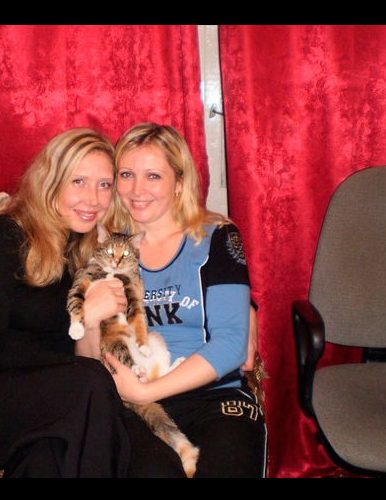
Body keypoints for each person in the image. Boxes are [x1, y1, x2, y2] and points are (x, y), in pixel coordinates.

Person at [0, 127, 186, 478]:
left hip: (60, 403)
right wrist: (78, 338)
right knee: (91, 382)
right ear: (51, 181)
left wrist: (92, 326)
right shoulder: (5, 236)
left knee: (158, 465)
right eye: (78, 181)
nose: (93, 199)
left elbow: (86, 358)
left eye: (104, 185)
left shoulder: (93, 252)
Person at [101, 123, 267, 478]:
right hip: (134, 407)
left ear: (179, 182)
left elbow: (232, 345)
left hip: (215, 396)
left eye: (153, 176)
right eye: (126, 174)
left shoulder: (216, 237)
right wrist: (136, 395)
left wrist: (146, 391)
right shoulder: (107, 249)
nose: (137, 190)